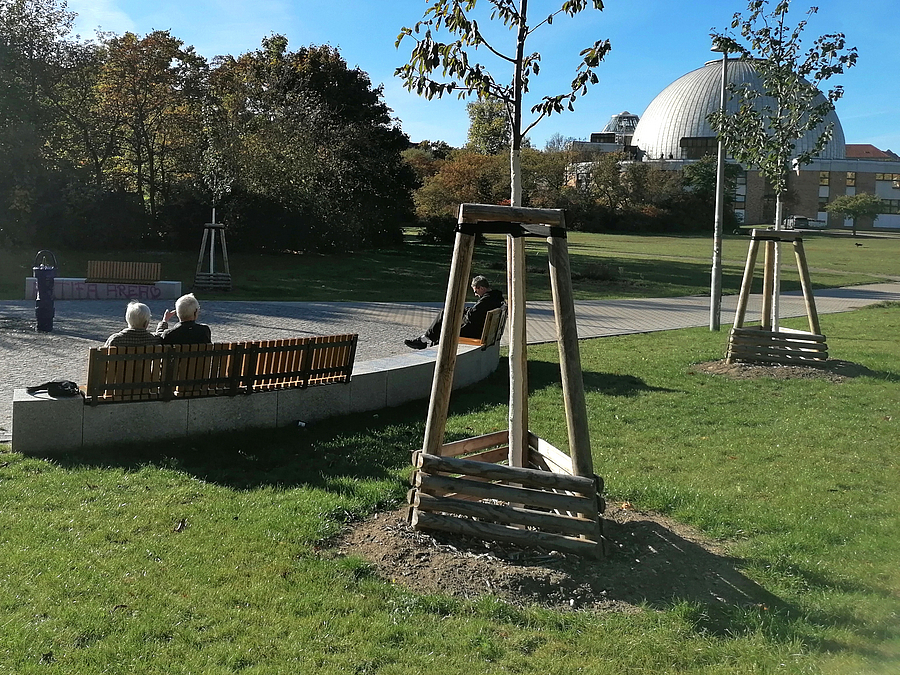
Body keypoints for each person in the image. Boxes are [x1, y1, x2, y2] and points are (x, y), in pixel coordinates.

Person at [405, 275, 504, 349]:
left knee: (445, 328)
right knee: (446, 315)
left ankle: (425, 341)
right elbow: (476, 312)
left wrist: (463, 314)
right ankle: (425, 340)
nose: (475, 294)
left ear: (481, 288)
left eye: (475, 291)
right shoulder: (495, 297)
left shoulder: (487, 299)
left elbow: (471, 316)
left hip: (475, 333)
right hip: (482, 331)